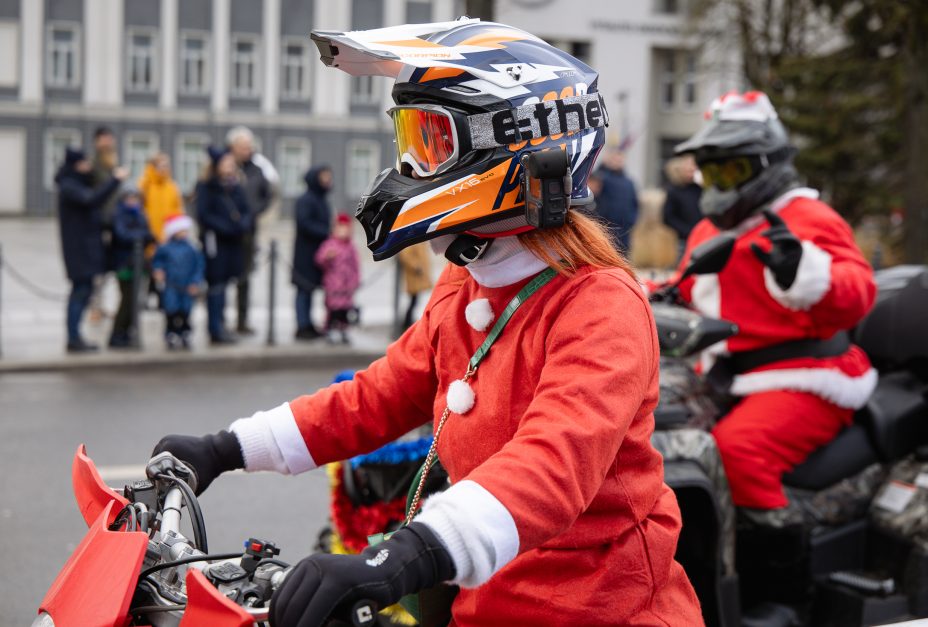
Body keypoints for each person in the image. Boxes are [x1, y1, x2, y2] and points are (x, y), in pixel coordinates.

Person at [148, 19, 702, 627]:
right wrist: (225, 448)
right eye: (406, 141)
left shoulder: (600, 304)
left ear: (515, 145)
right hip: (484, 598)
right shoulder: (466, 280)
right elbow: (379, 396)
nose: (411, 165)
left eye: (432, 142)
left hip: (600, 608)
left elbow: (553, 465)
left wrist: (399, 557)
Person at [669, 91, 877, 523]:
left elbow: (859, 292)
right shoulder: (709, 229)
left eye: (733, 170)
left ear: (768, 165)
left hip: (807, 377)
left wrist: (804, 271)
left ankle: (779, 578)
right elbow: (683, 288)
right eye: (712, 173)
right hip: (728, 374)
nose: (721, 185)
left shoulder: (808, 218)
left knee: (739, 451)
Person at [55, 147, 127, 352]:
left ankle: (75, 336)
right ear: (77, 165)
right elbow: (92, 200)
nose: (88, 167)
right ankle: (73, 338)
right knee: (80, 292)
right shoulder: (70, 187)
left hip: (85, 248)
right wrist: (114, 179)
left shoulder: (75, 184)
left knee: (83, 292)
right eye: (85, 163)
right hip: (79, 250)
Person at [195, 146, 251, 345]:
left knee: (225, 285)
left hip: (233, 244)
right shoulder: (206, 187)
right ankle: (214, 328)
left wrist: (242, 225)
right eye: (226, 163)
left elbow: (246, 210)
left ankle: (221, 324)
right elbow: (204, 215)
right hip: (216, 244)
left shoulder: (236, 186)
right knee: (216, 285)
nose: (229, 166)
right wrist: (226, 227)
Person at [227, 126, 276, 335]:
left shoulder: (257, 170)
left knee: (244, 278)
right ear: (233, 148)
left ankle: (242, 320)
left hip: (248, 231)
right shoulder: (225, 167)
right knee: (222, 278)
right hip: (226, 230)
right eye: (243, 146)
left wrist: (255, 212)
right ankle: (218, 321)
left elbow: (267, 194)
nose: (248, 150)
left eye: (249, 146)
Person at [108, 187, 154, 348]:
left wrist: (141, 236)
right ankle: (118, 332)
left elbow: (149, 234)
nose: (133, 201)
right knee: (127, 299)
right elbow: (122, 235)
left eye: (136, 198)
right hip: (124, 264)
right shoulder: (119, 215)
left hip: (138, 262)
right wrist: (139, 236)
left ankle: (127, 331)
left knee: (135, 299)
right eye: (130, 198)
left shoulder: (141, 214)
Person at [292, 166, 333, 340]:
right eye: (324, 177)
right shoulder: (306, 200)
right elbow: (304, 223)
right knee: (304, 290)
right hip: (305, 253)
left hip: (318, 252)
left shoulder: (322, 199)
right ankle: (302, 325)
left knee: (311, 289)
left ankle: (308, 324)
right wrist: (327, 232)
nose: (327, 180)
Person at [152, 215, 204, 349]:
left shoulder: (192, 248)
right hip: (171, 285)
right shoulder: (165, 248)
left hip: (187, 285)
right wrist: (158, 270)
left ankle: (185, 331)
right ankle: (171, 332)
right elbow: (158, 261)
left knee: (186, 309)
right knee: (171, 308)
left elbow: (198, 266)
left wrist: (196, 282)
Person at [89, 126, 121, 322]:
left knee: (112, 268)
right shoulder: (93, 165)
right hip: (99, 223)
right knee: (97, 270)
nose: (108, 142)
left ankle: (106, 306)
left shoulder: (113, 162)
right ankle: (95, 307)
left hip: (114, 222)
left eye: (110, 138)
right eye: (104, 139)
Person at [315, 214, 360, 345]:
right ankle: (330, 329)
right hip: (333, 284)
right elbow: (319, 260)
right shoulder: (329, 244)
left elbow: (356, 265)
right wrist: (327, 258)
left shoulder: (351, 246)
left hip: (347, 285)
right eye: (340, 228)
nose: (343, 232)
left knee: (345, 311)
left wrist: (356, 280)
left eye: (346, 229)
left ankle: (343, 329)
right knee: (332, 310)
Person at [593, 149, 639, 255]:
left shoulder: (629, 182)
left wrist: (632, 220)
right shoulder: (602, 178)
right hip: (607, 225)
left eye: (619, 159)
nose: (617, 161)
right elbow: (594, 181)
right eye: (614, 159)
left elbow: (634, 203)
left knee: (624, 254)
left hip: (625, 228)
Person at [662, 153, 703, 262]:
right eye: (688, 168)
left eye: (693, 168)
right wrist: (686, 231)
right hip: (683, 239)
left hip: (702, 235)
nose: (691, 170)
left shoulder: (699, 189)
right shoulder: (674, 190)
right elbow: (668, 217)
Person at [138, 152, 184, 246]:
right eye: (162, 165)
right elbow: (140, 208)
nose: (165, 169)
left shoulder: (172, 187)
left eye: (167, 166)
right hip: (149, 235)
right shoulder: (145, 185)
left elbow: (177, 209)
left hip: (168, 235)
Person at [398, 241, 433, 333]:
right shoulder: (411, 242)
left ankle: (407, 322)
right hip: (414, 276)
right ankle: (406, 323)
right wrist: (416, 266)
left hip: (418, 276)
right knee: (413, 301)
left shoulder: (418, 241)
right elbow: (405, 256)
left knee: (414, 301)